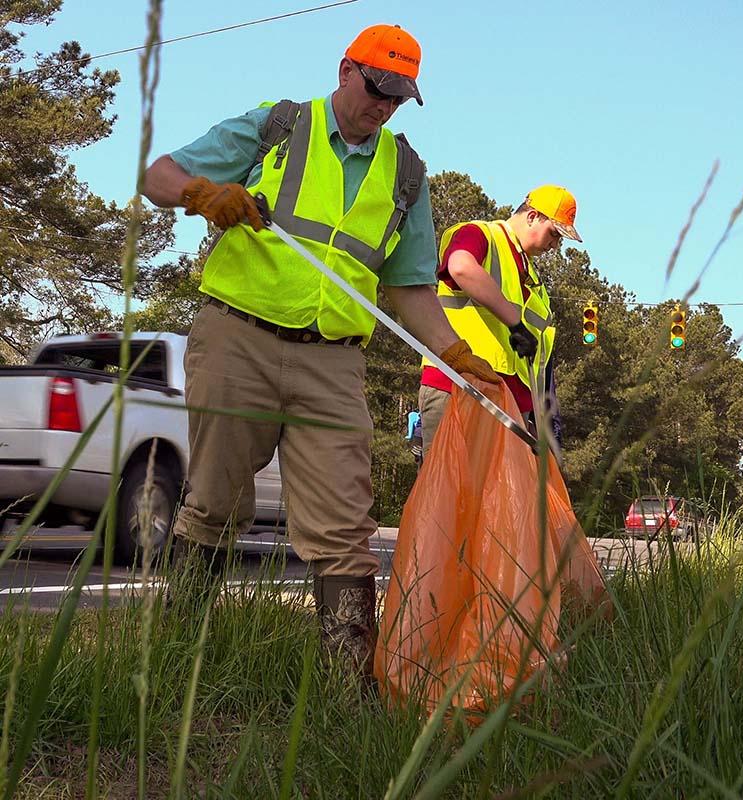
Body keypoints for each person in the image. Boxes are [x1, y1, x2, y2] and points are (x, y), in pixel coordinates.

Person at [141, 23, 499, 680]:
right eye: (376, 87)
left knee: (343, 521)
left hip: (333, 364)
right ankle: (175, 657)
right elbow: (158, 174)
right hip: (236, 338)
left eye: (398, 96)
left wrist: (456, 352)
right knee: (215, 502)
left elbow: (411, 287)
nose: (382, 105)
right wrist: (199, 193)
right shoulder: (278, 126)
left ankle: (346, 685)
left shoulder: (407, 175)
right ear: (345, 70)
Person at [419, 185, 581, 456]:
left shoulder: (533, 280)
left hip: (510, 406)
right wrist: (514, 323)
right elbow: (460, 266)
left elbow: (533, 361)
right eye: (554, 234)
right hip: (459, 385)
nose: (555, 246)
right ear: (532, 217)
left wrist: (532, 418)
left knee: (500, 498)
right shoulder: (481, 234)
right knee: (448, 493)